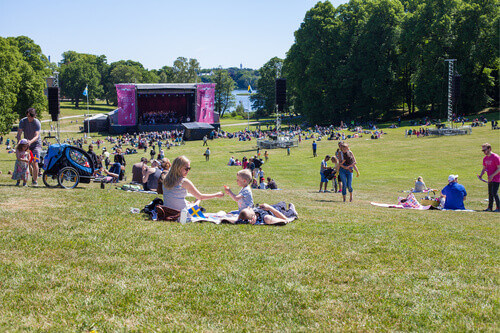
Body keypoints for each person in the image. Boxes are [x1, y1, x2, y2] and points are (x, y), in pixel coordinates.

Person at [16, 108, 41, 185]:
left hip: (36, 144)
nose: (32, 118)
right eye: (31, 116)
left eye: (33, 116)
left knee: (35, 162)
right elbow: (19, 133)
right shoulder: (23, 121)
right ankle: (25, 178)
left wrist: (30, 141)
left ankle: (35, 181)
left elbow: (37, 135)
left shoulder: (37, 122)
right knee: (27, 162)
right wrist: (19, 142)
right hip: (26, 145)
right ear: (27, 115)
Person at [223, 202, 298, 225]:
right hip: (279, 211)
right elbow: (285, 219)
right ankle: (292, 210)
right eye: (249, 209)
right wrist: (269, 207)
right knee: (286, 208)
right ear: (253, 218)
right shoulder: (266, 218)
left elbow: (234, 219)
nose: (249, 207)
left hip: (271, 207)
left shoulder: (243, 218)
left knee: (282, 203)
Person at [478, 143, 500, 211]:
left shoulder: (495, 157)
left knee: (494, 192)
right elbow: (484, 168)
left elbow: (499, 168)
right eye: (483, 150)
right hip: (490, 178)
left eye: (485, 150)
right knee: (490, 193)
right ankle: (490, 208)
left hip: (496, 178)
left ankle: (498, 208)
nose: (484, 152)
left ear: (489, 149)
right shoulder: (485, 158)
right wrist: (481, 175)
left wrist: (492, 175)